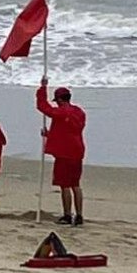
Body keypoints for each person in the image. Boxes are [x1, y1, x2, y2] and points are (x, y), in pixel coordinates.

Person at [36, 77, 87, 226]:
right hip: (77, 150)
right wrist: (49, 134)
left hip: (65, 153)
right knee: (75, 184)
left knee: (65, 185)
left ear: (59, 99)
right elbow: (69, 131)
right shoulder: (79, 112)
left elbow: (42, 106)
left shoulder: (61, 112)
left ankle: (67, 215)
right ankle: (79, 215)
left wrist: (42, 88)